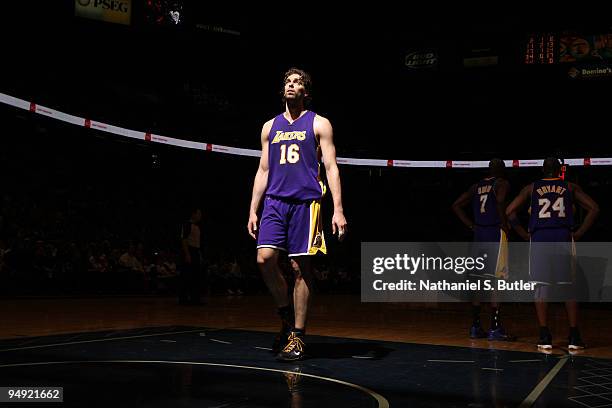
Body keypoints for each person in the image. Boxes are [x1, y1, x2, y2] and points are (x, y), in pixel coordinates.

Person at [247, 67, 347, 361]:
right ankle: (287, 319)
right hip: (275, 203)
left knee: (300, 268)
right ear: (283, 90)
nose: (292, 85)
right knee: (264, 259)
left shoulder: (319, 123)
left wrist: (338, 209)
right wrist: (253, 208)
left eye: (298, 82)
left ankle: (299, 336)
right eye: (288, 82)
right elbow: (263, 169)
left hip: (306, 203)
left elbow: (331, 167)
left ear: (306, 91)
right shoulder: (269, 127)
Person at [506, 158, 599, 350]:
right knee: (569, 287)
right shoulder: (569, 187)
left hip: (540, 238)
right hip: (562, 236)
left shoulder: (531, 188)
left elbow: (509, 211)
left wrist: (524, 234)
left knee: (541, 286)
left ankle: (544, 336)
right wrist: (579, 233)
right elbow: (594, 208)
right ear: (559, 170)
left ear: (542, 170)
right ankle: (573, 336)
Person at [452, 159, 513, 341]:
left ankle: (475, 326)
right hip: (494, 233)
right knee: (497, 281)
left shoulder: (477, 186)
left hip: (479, 235)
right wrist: (504, 223)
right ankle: (494, 327)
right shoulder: (502, 183)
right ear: (501, 170)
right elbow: (501, 202)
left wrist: (472, 226)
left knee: (478, 281)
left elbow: (455, 205)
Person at [179, 206, 204, 305]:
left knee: (196, 276)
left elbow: (197, 243)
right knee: (186, 276)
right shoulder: (187, 225)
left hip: (195, 251)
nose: (200, 216)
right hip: (189, 251)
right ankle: (183, 299)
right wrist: (187, 254)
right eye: (198, 213)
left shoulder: (197, 227)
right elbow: (184, 240)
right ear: (193, 214)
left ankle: (195, 299)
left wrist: (199, 255)